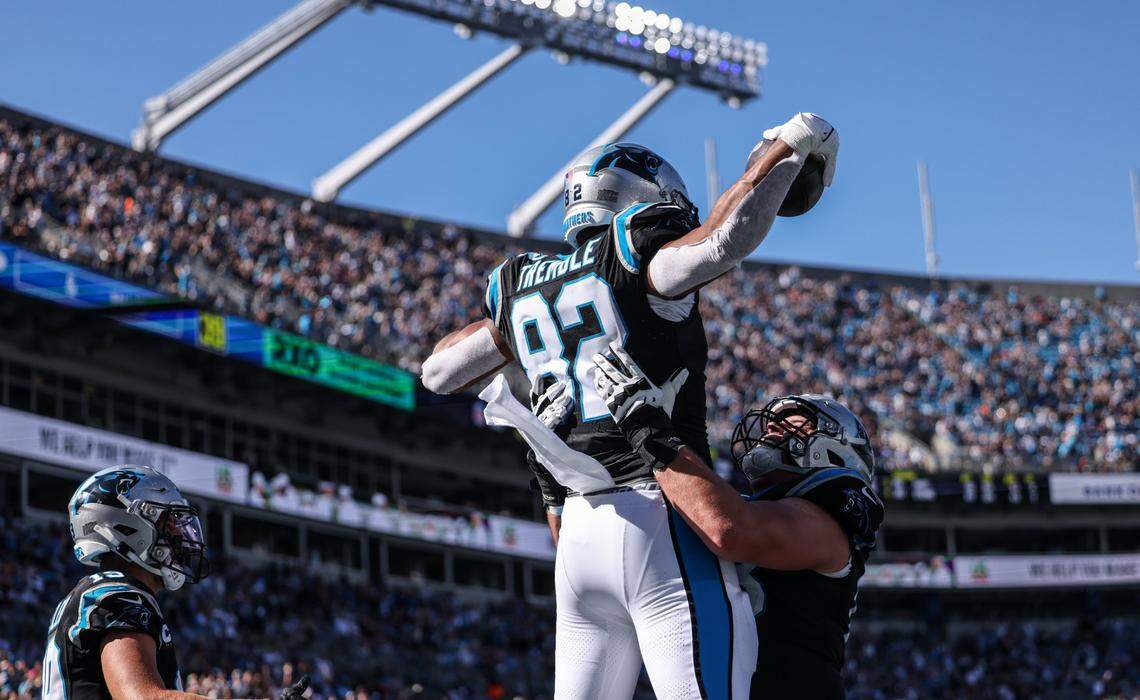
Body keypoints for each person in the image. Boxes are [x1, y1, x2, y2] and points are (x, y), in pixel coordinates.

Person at [422, 113, 839, 699]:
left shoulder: (518, 288)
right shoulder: (636, 255)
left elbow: (438, 372)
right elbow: (724, 239)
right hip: (663, 520)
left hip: (577, 536)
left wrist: (511, 336)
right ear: (644, 200)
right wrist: (786, 148)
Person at [590, 343, 885, 699]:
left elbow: (727, 529)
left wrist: (646, 427)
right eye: (771, 427)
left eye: (793, 427)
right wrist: (564, 476)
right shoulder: (749, 510)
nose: (769, 433)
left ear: (839, 451)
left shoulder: (826, 527)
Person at [41, 465, 309, 700]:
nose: (181, 535)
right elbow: (143, 698)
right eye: (169, 524)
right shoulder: (117, 594)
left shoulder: (98, 594)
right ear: (128, 527)